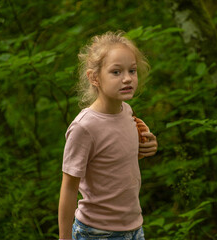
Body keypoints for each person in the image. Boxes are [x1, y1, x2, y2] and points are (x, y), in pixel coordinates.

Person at [58, 31, 158, 240]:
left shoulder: (128, 112)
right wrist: (64, 238)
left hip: (134, 228)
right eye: (116, 72)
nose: (128, 78)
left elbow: (115, 158)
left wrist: (147, 144)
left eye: (132, 70)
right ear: (94, 77)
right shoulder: (84, 127)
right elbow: (68, 188)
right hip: (97, 232)